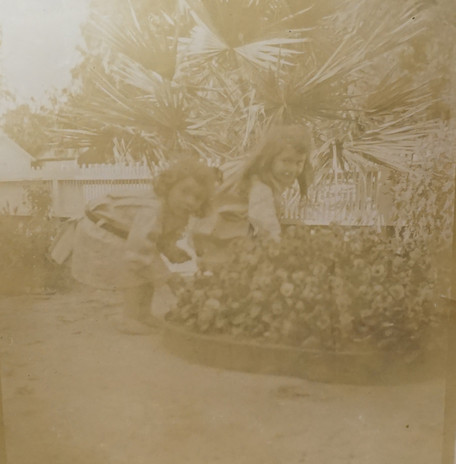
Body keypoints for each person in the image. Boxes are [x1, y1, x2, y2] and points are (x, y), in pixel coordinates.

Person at [55, 159, 218, 334]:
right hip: (101, 229)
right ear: (169, 187)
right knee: (136, 267)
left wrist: (171, 250)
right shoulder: (152, 209)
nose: (189, 201)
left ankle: (143, 314)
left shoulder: (175, 211)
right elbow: (140, 251)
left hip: (123, 232)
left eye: (197, 198)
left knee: (147, 266)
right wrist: (168, 277)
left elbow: (158, 237)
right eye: (184, 192)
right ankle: (130, 318)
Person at [196, 124, 313, 264]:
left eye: (299, 162)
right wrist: (280, 255)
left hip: (210, 236)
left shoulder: (247, 171)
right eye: (286, 161)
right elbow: (267, 227)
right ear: (270, 159)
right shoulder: (260, 187)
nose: (293, 168)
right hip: (222, 243)